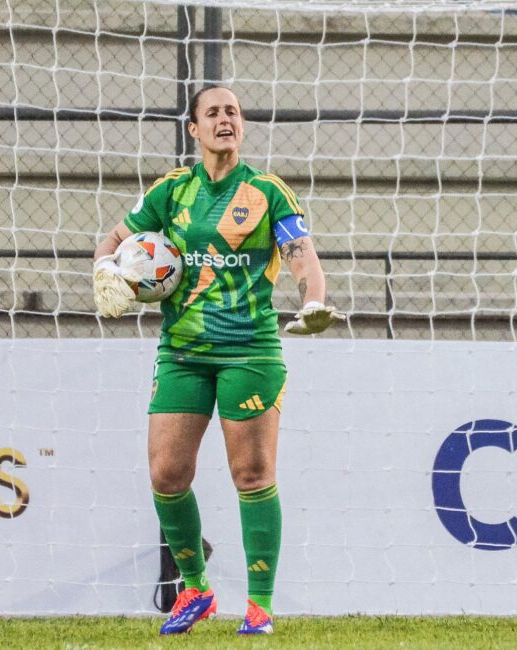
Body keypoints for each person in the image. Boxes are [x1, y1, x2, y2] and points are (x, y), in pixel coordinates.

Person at [91, 85, 344, 636]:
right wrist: (106, 273)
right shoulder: (171, 191)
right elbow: (112, 240)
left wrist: (315, 301)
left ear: (242, 126)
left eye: (233, 111)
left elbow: (303, 260)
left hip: (250, 351)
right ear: (194, 129)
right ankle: (197, 589)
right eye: (213, 112)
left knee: (251, 475)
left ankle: (258, 606)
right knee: (166, 473)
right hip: (182, 352)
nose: (225, 119)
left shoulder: (266, 192)